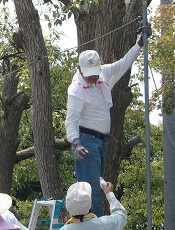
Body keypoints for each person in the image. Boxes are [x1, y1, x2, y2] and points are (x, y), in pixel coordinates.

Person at [65, 24, 152, 216]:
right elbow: (71, 121)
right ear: (80, 69)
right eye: (90, 74)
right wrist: (76, 142)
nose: (94, 77)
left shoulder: (103, 74)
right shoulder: (76, 89)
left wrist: (139, 45)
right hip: (86, 140)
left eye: (95, 72)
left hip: (101, 140)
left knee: (99, 185)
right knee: (92, 188)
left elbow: (123, 64)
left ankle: (94, 221)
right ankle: (90, 224)